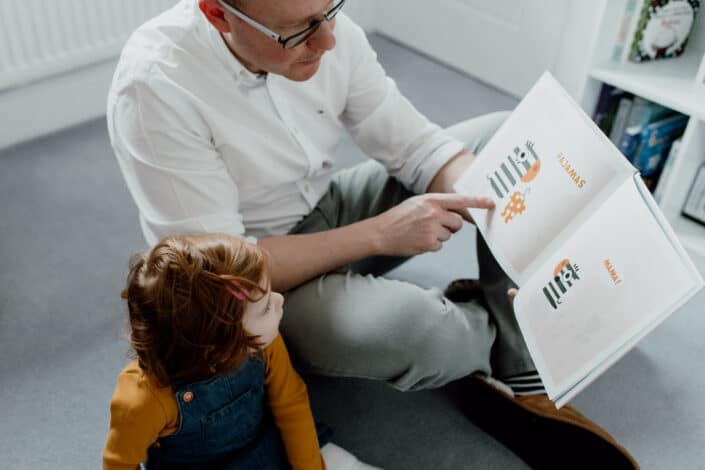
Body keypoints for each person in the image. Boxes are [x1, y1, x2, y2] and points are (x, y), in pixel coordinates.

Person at [107, 0, 639, 467]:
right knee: (430, 335)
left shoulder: (321, 26)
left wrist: (491, 200)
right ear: (217, 12)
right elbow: (229, 272)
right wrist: (382, 235)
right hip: (247, 287)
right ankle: (506, 324)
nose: (328, 39)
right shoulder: (155, 86)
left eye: (330, 11)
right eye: (297, 31)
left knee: (507, 139)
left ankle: (518, 367)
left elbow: (415, 145)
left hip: (325, 206)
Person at [103, 233, 379, 469]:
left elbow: (290, 403)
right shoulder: (142, 398)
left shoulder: (262, 341)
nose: (280, 300)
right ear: (222, 344)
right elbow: (119, 462)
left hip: (267, 449)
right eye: (265, 308)